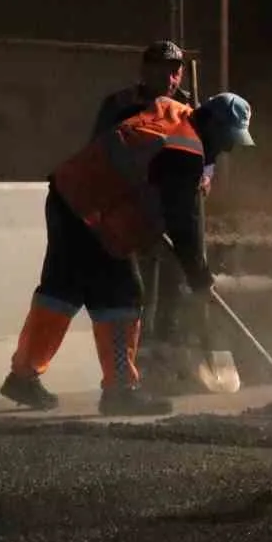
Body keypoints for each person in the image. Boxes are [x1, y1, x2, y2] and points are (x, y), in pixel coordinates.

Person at [0, 92, 256, 417]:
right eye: (228, 140)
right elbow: (184, 223)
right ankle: (120, 391)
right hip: (94, 211)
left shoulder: (171, 115)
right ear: (214, 126)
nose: (228, 149)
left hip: (69, 195)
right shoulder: (185, 151)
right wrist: (199, 275)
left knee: (61, 289)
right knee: (122, 295)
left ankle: (22, 376)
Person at [90, 41, 211, 371]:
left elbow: (206, 151)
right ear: (145, 71)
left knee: (180, 276)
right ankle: (136, 358)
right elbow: (100, 151)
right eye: (161, 70)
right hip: (139, 204)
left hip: (180, 205)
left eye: (175, 71)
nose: (169, 78)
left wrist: (205, 173)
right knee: (143, 282)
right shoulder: (120, 105)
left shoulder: (190, 106)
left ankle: (168, 353)